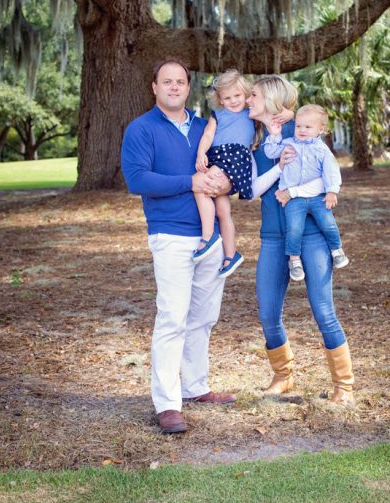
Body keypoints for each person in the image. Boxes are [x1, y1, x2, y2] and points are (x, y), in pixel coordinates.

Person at [121, 58, 236, 436]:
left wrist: (223, 185)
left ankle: (195, 386)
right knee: (173, 316)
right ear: (154, 87)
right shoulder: (141, 129)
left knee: (204, 316)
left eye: (181, 82)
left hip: (211, 236)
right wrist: (190, 182)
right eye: (166, 82)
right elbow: (138, 179)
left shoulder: (207, 127)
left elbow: (229, 171)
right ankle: (167, 403)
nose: (174, 87)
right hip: (170, 234)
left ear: (188, 88)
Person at [246, 76, 355, 406]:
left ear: (273, 100)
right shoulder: (256, 144)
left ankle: (344, 387)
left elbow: (308, 120)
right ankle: (283, 376)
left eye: (254, 95)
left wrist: (289, 117)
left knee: (323, 311)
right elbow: (252, 191)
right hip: (272, 237)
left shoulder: (302, 136)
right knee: (267, 313)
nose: (248, 100)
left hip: (311, 235)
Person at [264, 103, 349, 282]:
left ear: (321, 129)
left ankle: (337, 250)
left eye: (308, 127)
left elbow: (331, 170)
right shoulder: (288, 144)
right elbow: (270, 151)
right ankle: (294, 260)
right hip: (294, 200)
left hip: (318, 198)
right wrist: (273, 135)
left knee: (328, 223)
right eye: (298, 126)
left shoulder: (322, 149)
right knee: (294, 228)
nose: (302, 130)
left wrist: (332, 191)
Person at [193, 70, 255, 278]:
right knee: (223, 210)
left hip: (235, 156)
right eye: (227, 98)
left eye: (237, 95)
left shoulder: (251, 112)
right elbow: (208, 134)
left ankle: (208, 236)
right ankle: (231, 254)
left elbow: (277, 110)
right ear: (220, 99)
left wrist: (288, 114)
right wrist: (201, 152)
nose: (233, 101)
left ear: (246, 93)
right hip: (218, 156)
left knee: (202, 186)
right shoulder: (218, 115)